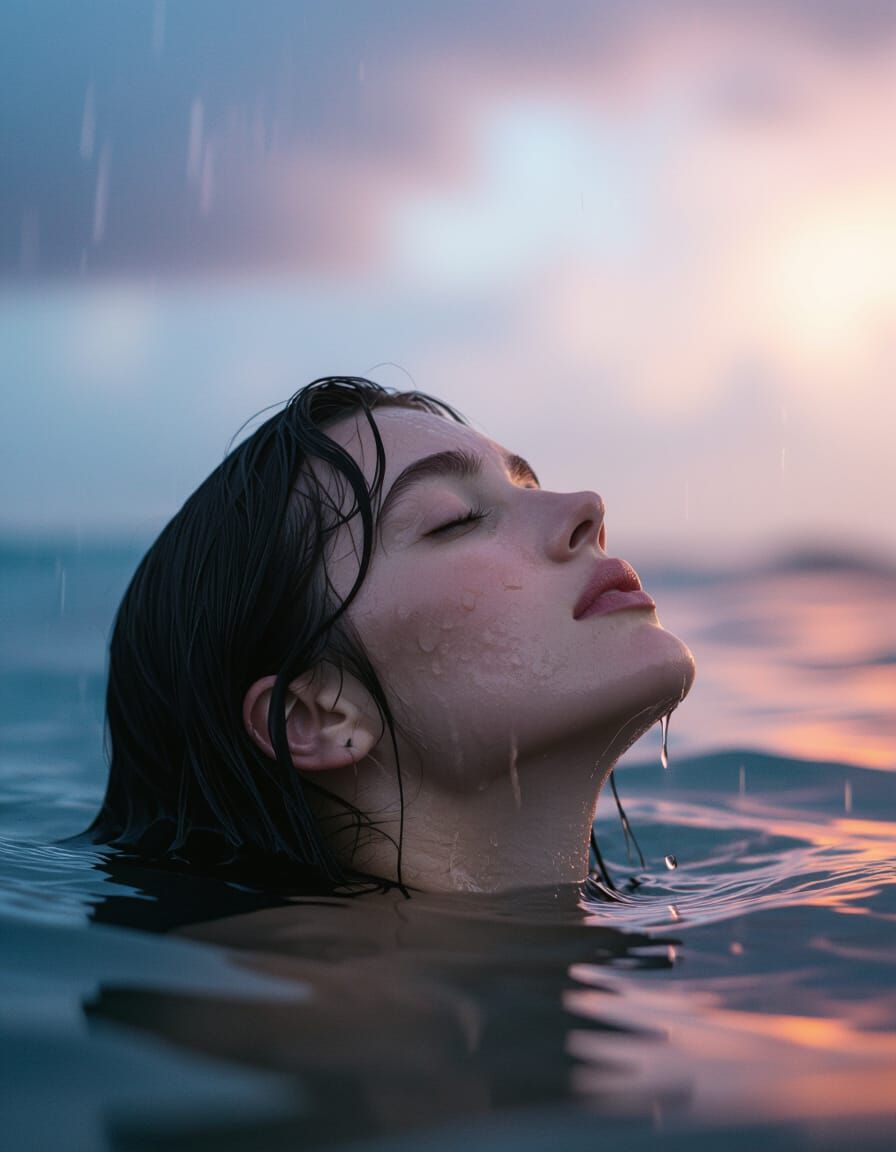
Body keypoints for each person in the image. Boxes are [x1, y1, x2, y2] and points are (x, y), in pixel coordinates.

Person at [89, 376, 694, 893]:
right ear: (315, 715)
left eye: (526, 489)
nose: (586, 507)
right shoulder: (266, 1023)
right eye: (455, 519)